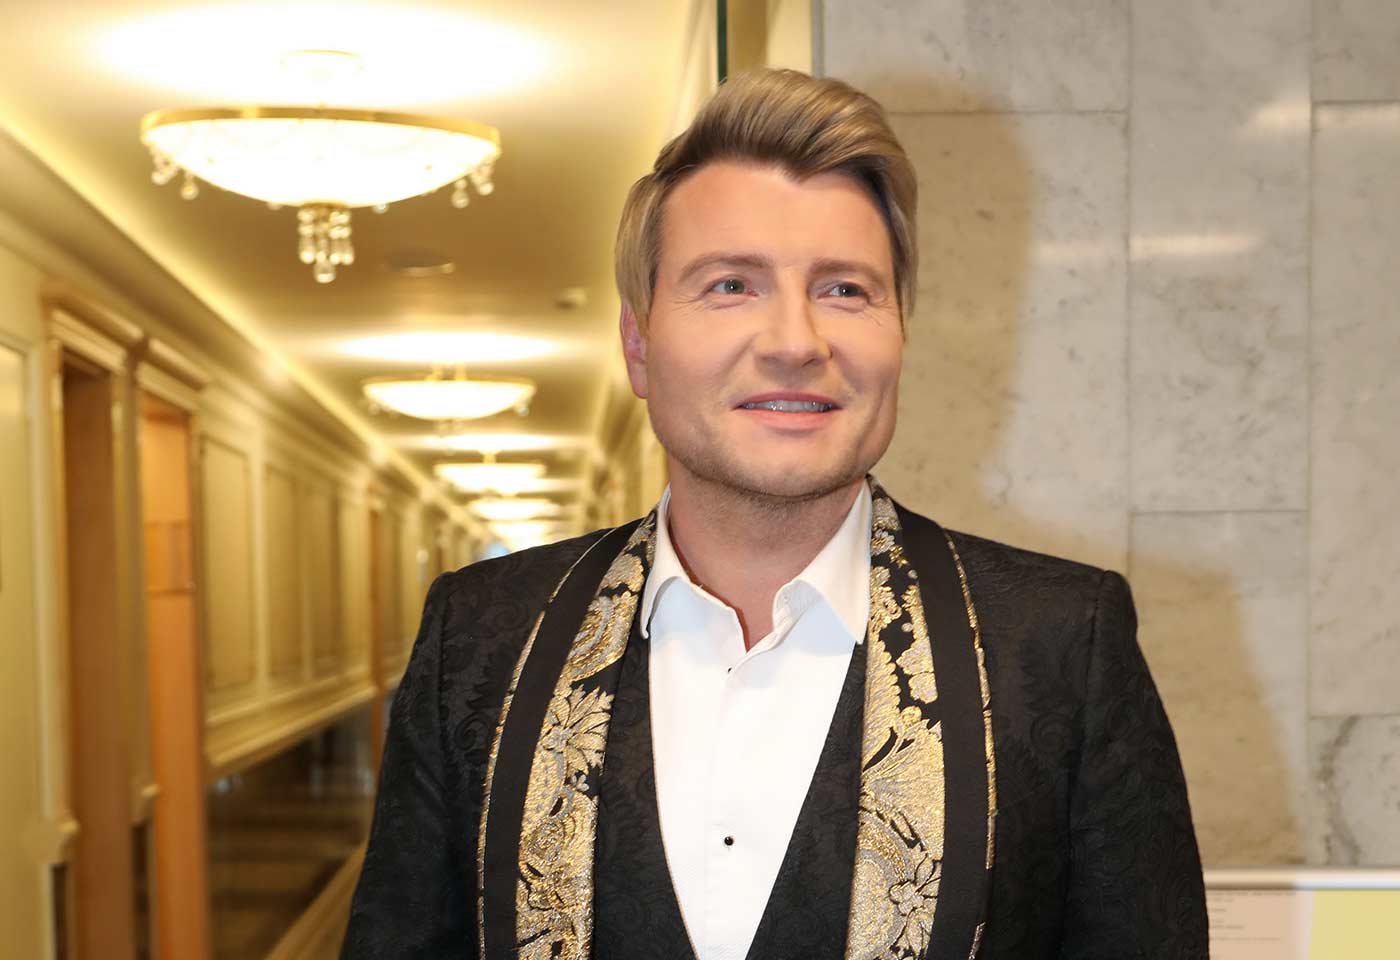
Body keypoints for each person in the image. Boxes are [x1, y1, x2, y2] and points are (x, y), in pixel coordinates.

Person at [341, 68, 1208, 960]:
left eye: (845, 290)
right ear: (638, 346)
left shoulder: (1061, 644)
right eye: (731, 285)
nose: (797, 342)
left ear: (900, 332)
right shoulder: (479, 638)